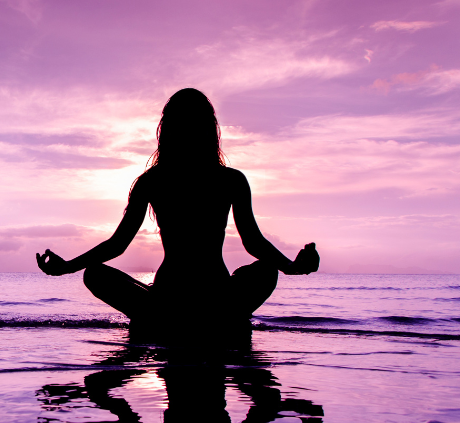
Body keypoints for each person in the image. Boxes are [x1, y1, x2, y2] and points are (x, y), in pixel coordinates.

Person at [36, 88, 318, 327]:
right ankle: (221, 318)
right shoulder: (229, 179)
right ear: (211, 129)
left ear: (166, 130)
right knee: (267, 269)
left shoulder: (154, 180)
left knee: (94, 273)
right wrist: (292, 267)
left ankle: (154, 311)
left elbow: (117, 245)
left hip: (166, 299)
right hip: (217, 297)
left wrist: (69, 267)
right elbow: (254, 243)